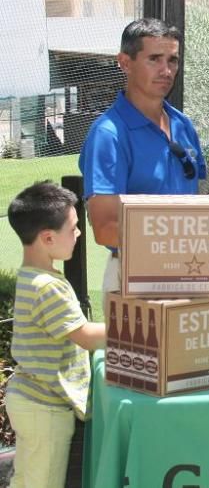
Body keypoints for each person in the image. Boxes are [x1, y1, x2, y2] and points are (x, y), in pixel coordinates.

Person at [79, 18, 206, 293]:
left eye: (173, 60)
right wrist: (181, 240)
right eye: (154, 59)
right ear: (125, 63)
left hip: (192, 270)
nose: (166, 70)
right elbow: (105, 228)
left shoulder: (183, 125)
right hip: (135, 275)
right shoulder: (109, 134)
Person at [5, 181, 106, 488]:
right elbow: (86, 336)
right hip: (44, 409)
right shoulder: (47, 287)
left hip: (33, 401)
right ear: (48, 238)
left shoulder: (35, 277)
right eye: (74, 228)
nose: (78, 233)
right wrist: (141, 323)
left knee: (27, 480)